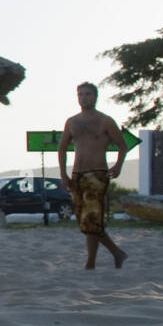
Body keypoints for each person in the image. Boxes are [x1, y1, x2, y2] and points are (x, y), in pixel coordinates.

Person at [58, 82, 129, 269]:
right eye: (80, 94)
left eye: (88, 94)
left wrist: (119, 165)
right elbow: (62, 148)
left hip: (96, 174)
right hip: (77, 175)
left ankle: (91, 263)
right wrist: (63, 174)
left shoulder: (105, 121)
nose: (84, 97)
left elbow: (122, 145)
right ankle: (117, 253)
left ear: (95, 97)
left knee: (91, 220)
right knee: (85, 222)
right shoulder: (72, 122)